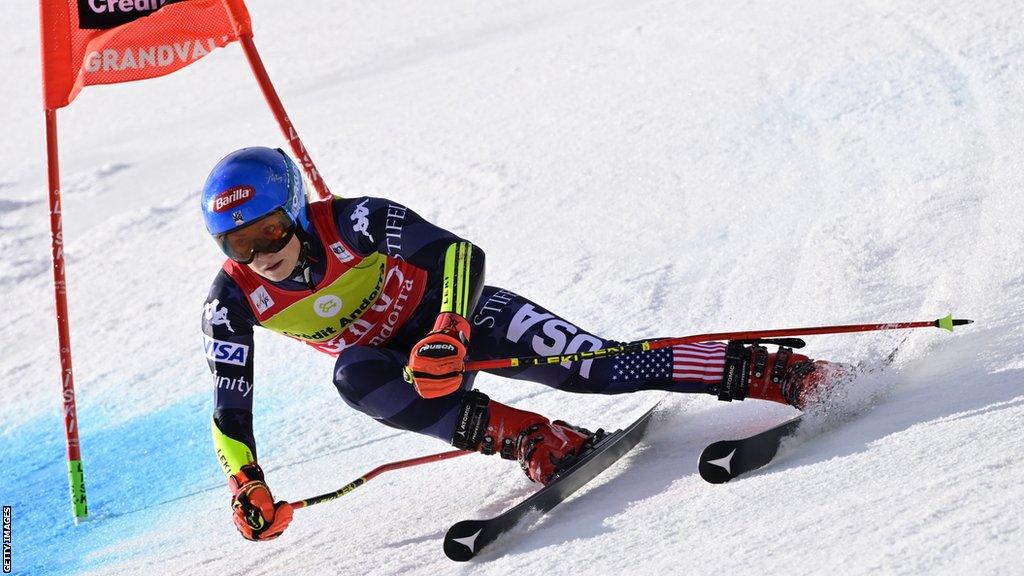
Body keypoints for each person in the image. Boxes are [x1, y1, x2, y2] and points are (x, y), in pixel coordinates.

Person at [200, 147, 842, 542]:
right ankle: (536, 440)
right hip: (400, 366)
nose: (264, 255)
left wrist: (449, 328)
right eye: (241, 245)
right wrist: (246, 482)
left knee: (595, 369)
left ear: (294, 208)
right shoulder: (231, 301)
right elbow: (230, 406)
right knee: (354, 376)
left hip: (460, 318)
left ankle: (767, 372)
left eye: (272, 232)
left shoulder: (352, 220)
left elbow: (456, 253)